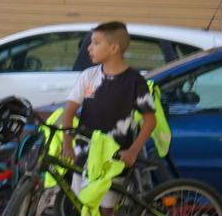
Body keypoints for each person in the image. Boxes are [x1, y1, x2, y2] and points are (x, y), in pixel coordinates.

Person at [60, 20, 157, 171]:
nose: (89, 48)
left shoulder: (135, 81)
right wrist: (67, 143)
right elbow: (69, 112)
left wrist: (133, 151)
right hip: (83, 158)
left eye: (96, 43)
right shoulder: (88, 76)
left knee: (108, 194)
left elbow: (150, 121)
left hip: (115, 161)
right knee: (78, 195)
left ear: (113, 48)